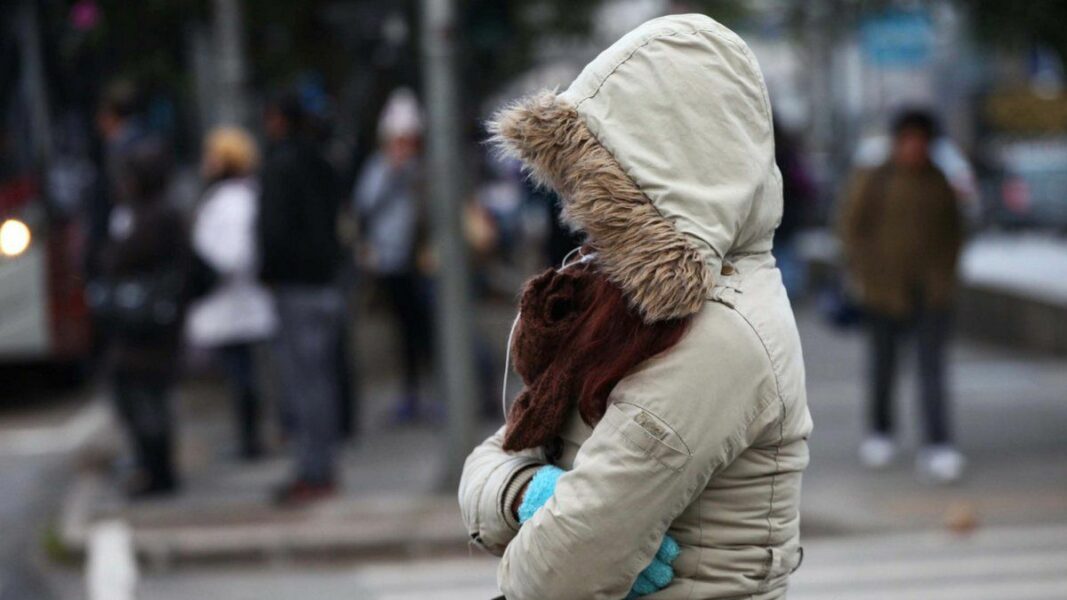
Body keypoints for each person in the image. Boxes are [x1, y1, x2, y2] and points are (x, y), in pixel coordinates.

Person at [459, 14, 811, 599]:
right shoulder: (621, 303)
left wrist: (530, 499)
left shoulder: (719, 334)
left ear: (662, 173)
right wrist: (527, 495)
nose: (583, 208)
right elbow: (490, 458)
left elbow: (558, 574)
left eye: (605, 180)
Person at [839, 109, 966, 483]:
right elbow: (850, 228)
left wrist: (944, 279)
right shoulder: (874, 179)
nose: (914, 147)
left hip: (931, 294)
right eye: (908, 139)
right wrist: (865, 273)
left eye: (920, 140)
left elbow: (954, 234)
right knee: (883, 367)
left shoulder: (939, 181)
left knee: (932, 371)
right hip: (882, 292)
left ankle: (939, 443)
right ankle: (880, 432)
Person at [257, 93, 344, 505]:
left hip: (295, 286)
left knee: (303, 384)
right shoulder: (321, 162)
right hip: (325, 281)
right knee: (320, 380)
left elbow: (272, 231)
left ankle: (314, 469)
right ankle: (321, 465)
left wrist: (269, 271)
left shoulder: (279, 167)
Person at [98, 138, 188, 498]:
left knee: (146, 398)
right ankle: (152, 466)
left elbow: (127, 256)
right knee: (141, 395)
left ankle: (158, 471)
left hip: (149, 323)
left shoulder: (156, 216)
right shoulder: (139, 212)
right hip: (141, 322)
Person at [186, 128, 277, 460]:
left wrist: (209, 273)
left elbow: (235, 253)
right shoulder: (234, 196)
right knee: (241, 374)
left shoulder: (233, 200)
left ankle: (250, 440)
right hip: (234, 301)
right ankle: (248, 438)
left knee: (243, 376)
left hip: (234, 300)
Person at [353, 88, 434, 422]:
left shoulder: (421, 170)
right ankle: (411, 394)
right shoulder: (379, 169)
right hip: (390, 263)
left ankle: (425, 393)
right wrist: (392, 173)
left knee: (423, 330)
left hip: (418, 262)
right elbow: (364, 206)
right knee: (404, 331)